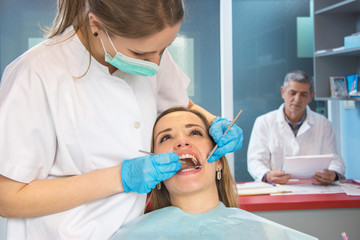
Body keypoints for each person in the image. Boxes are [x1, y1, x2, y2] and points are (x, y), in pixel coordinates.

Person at [0, 1, 243, 239]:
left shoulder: (150, 50)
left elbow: (179, 106)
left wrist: (213, 122)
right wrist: (121, 178)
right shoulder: (35, 75)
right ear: (96, 25)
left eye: (165, 49)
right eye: (139, 53)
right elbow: (7, 197)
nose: (155, 63)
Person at [110, 107, 318, 240]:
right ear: (154, 171)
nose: (182, 142)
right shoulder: (130, 235)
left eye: (195, 132)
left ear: (218, 160)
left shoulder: (268, 234)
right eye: (165, 138)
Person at [247, 70, 346, 185]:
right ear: (283, 92)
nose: (297, 99)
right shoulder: (264, 122)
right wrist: (267, 175)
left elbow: (335, 161)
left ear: (311, 96)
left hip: (314, 189)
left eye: (303, 94)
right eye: (292, 93)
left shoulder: (323, 124)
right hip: (276, 189)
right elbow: (255, 161)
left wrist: (332, 174)